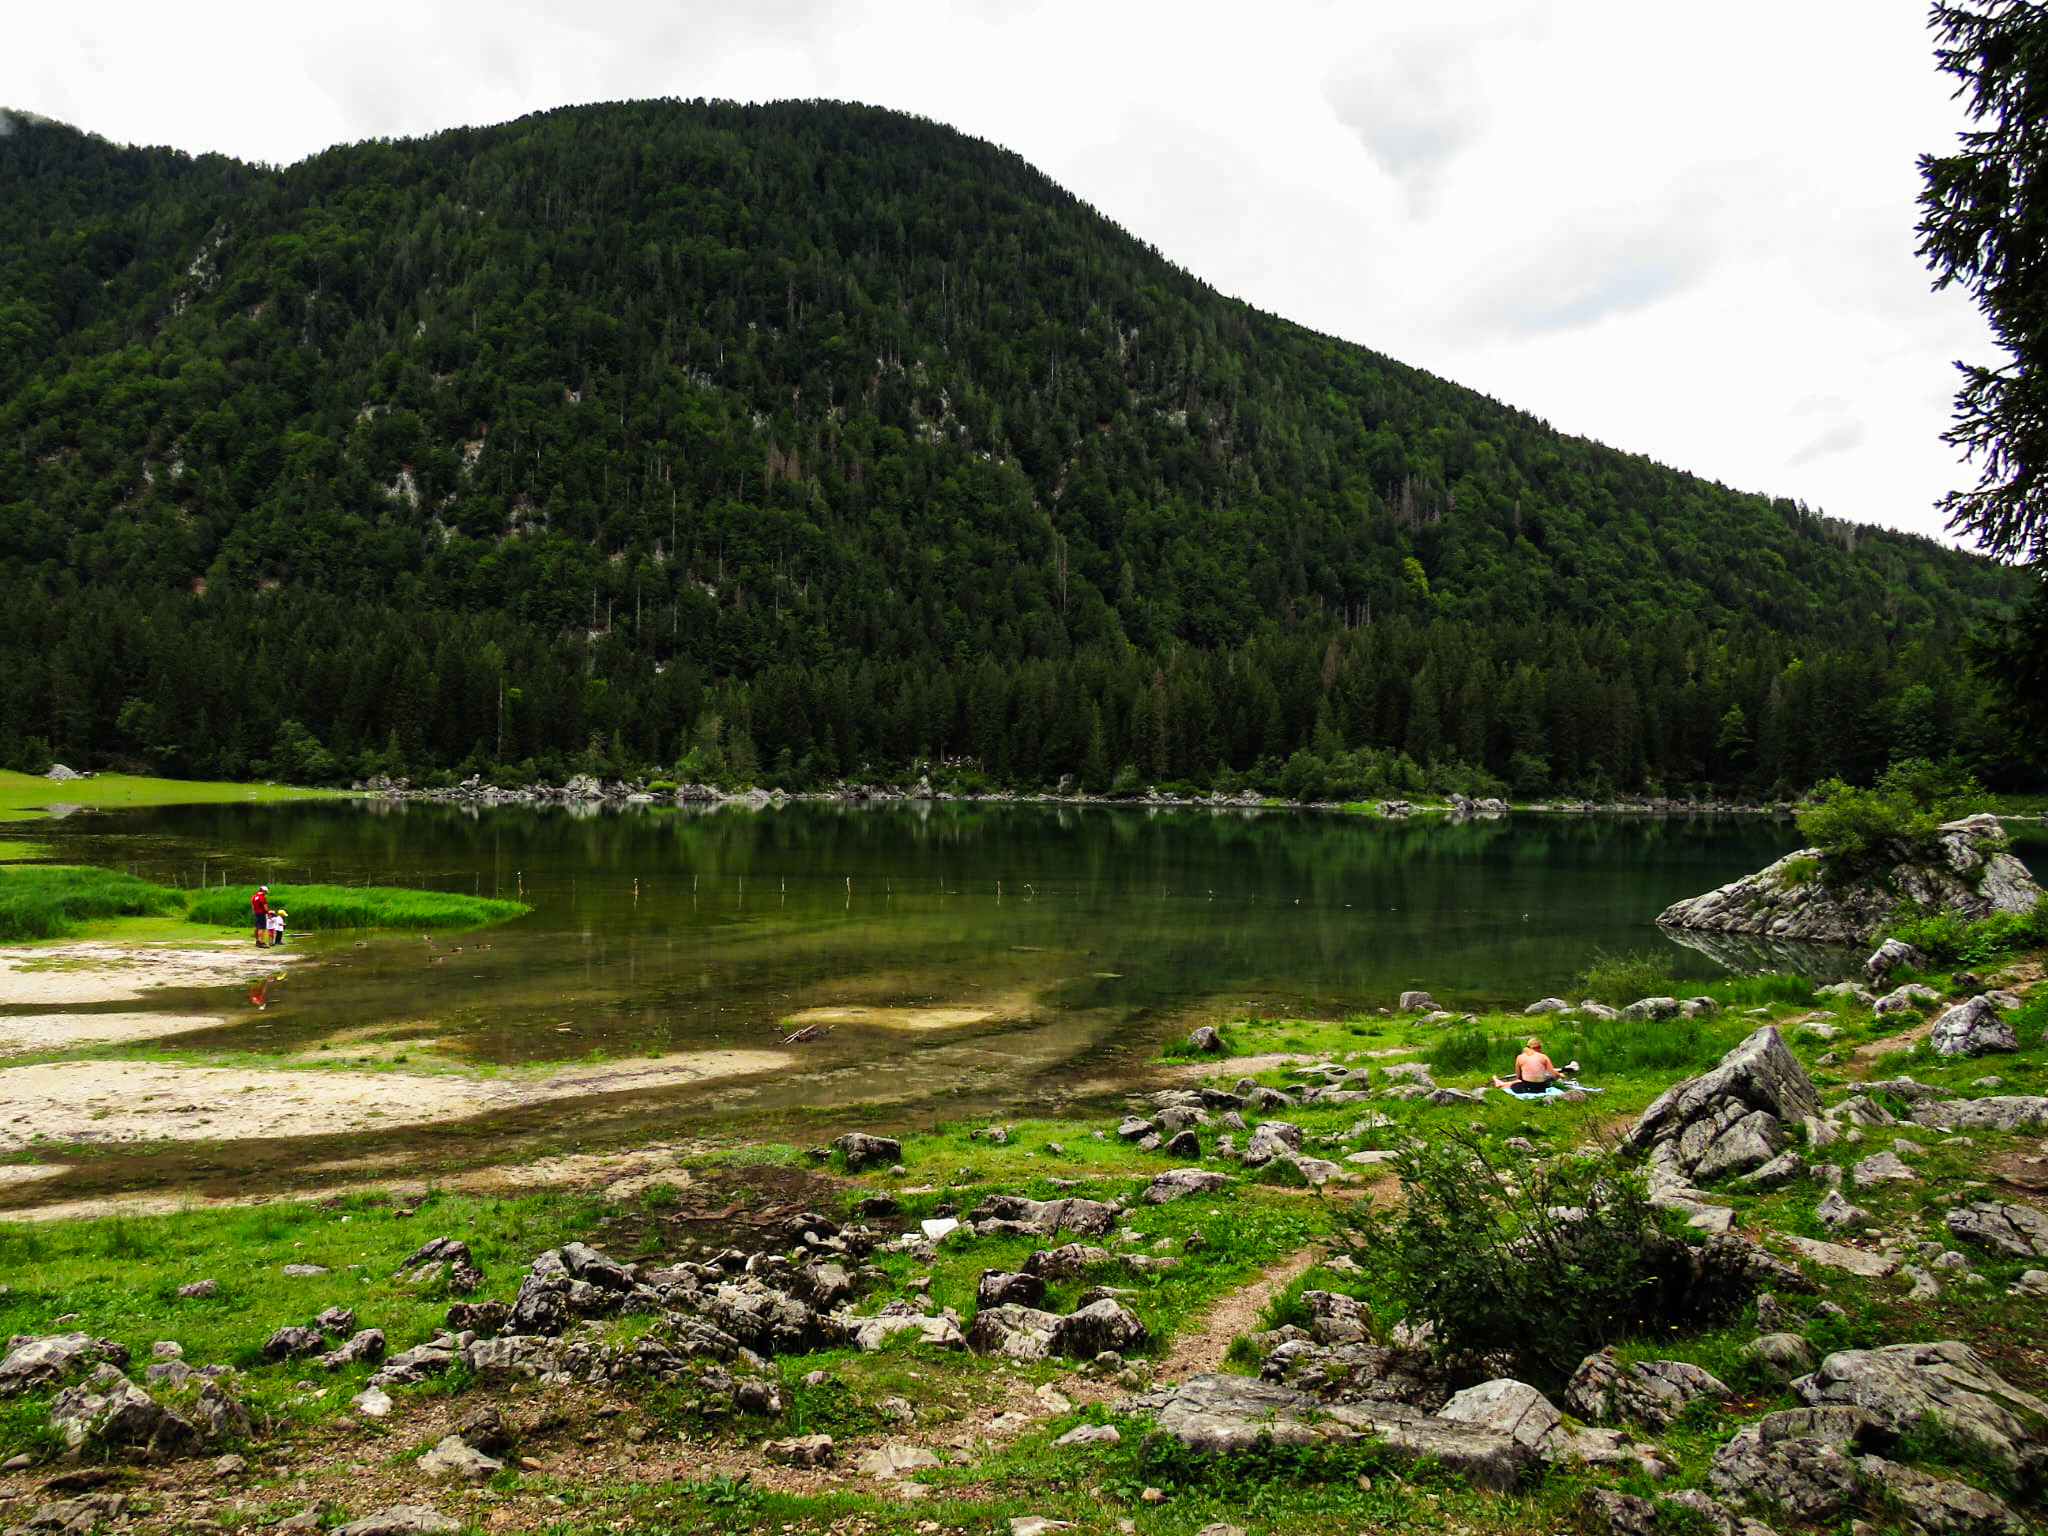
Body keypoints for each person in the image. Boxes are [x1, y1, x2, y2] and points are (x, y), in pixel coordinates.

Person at [1495, 1036, 1579, 1096]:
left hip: (1526, 1088)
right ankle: (1501, 1084)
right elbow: (1554, 1074)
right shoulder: (1544, 1057)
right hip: (1541, 1088)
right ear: (1539, 1048)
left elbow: (1519, 1077)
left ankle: (1501, 1084)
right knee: (1532, 1082)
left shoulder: (1520, 1057)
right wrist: (1561, 1075)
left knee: (1517, 1084)